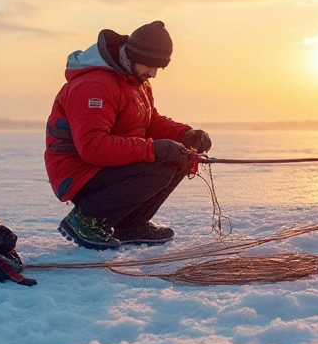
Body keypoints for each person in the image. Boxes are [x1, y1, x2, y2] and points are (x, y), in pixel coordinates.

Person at [44, 22, 212, 250]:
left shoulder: (136, 81)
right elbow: (93, 147)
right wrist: (153, 149)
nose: (153, 73)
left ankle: (129, 224)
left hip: (106, 167)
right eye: (151, 65)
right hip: (79, 172)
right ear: (134, 55)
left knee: (182, 158)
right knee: (160, 165)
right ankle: (86, 218)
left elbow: (149, 121)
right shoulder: (94, 85)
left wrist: (185, 134)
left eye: (159, 68)